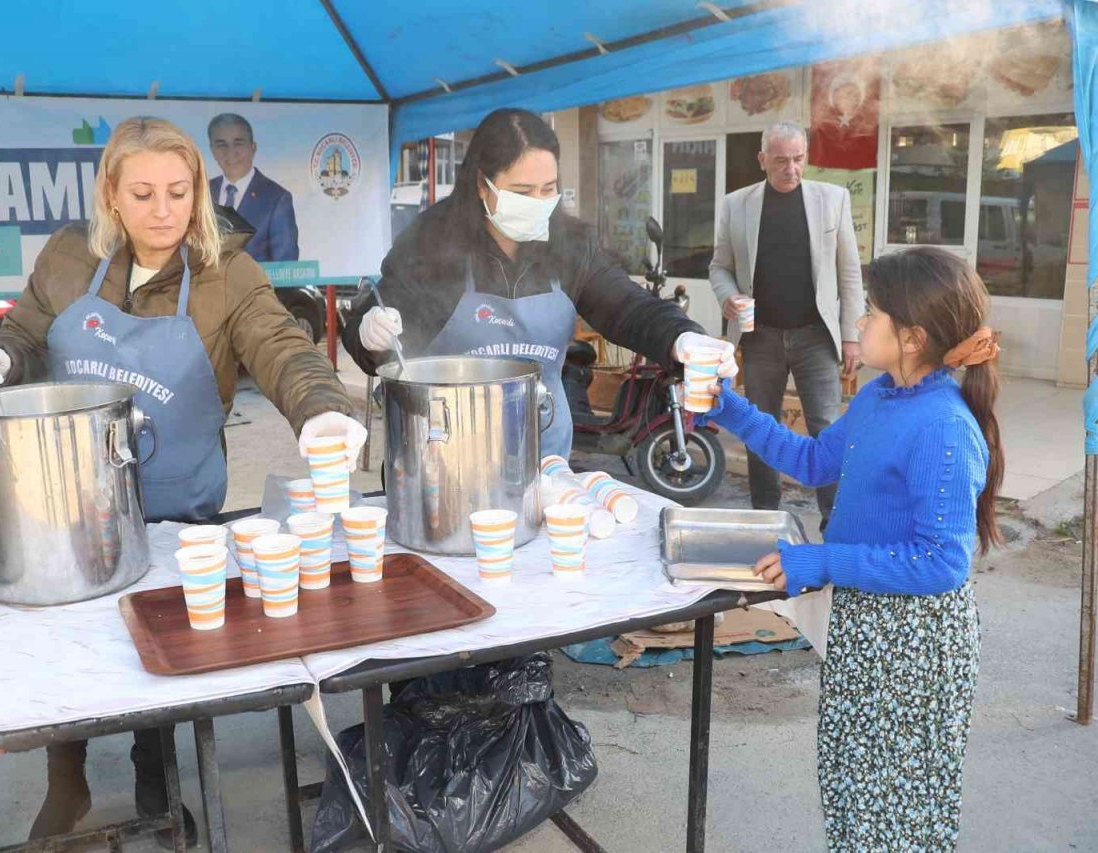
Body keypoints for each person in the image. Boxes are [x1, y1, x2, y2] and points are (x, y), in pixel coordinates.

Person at [0, 116, 363, 847]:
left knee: (166, 648)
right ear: (111, 195)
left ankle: (159, 778)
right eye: (143, 194)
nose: (163, 211)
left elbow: (283, 347)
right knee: (68, 645)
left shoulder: (226, 273)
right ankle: (67, 778)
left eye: (179, 192)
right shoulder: (70, 257)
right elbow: (24, 334)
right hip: (75, 498)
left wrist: (322, 408)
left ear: (198, 191)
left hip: (179, 507)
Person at [700, 247, 1002, 851]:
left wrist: (820, 561)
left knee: (895, 814)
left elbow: (941, 563)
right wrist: (729, 407)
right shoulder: (880, 396)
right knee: (851, 792)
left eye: (872, 312)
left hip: (913, 649)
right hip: (868, 629)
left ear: (913, 338)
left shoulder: (943, 426)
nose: (859, 322)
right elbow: (814, 460)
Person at [342, 107, 733, 459]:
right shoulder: (433, 243)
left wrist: (680, 336)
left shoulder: (570, 245)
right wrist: (370, 333)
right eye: (522, 192)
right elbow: (380, 335)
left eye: (548, 189)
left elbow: (627, 306)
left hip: (542, 455)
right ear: (482, 185)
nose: (538, 201)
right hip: (442, 457)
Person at [708, 121, 864, 529]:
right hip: (760, 337)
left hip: (817, 337)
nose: (791, 169)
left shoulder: (833, 199)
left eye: (798, 159)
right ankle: (765, 514)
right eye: (780, 161)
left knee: (827, 430)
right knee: (761, 427)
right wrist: (728, 296)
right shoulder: (736, 204)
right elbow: (719, 267)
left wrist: (852, 336)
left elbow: (850, 273)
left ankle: (835, 521)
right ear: (762, 160)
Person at [207, 113, 299, 261]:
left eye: (238, 143)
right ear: (212, 150)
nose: (230, 153)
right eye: (221, 145)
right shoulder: (202, 192)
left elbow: (285, 264)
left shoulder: (277, 199)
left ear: (253, 148)